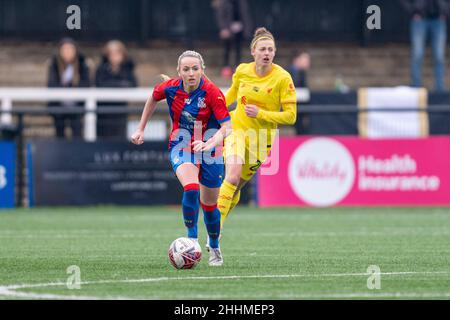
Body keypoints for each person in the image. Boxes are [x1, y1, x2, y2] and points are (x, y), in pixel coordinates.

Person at [131, 51, 232, 266]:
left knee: (210, 205)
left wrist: (210, 143)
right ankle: (191, 240)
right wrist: (141, 129)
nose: (191, 73)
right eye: (186, 69)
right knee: (191, 187)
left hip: (210, 147)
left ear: (202, 70)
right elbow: (152, 98)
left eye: (195, 68)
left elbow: (227, 127)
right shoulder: (171, 88)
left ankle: (214, 246)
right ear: (179, 72)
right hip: (182, 143)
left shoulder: (213, 93)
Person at [217, 27, 297, 236]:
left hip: (261, 139)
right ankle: (214, 229)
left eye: (270, 49)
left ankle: (217, 221)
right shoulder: (242, 70)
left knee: (237, 187)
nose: (266, 53)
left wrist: (261, 113)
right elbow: (231, 96)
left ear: (275, 52)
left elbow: (290, 116)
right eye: (262, 49)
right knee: (232, 177)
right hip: (236, 129)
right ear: (253, 51)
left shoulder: (283, 78)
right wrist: (212, 110)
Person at [400, 0, 449, 91]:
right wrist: (413, 11)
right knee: (417, 54)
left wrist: (445, 11)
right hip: (419, 18)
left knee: (439, 56)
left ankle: (440, 88)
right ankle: (416, 85)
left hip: (439, 19)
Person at [47, 38, 91, 139]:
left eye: (70, 49)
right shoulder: (54, 64)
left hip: (77, 105)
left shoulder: (82, 64)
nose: (67, 52)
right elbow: (51, 84)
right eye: (64, 49)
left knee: (77, 133)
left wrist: (71, 87)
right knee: (60, 133)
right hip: (59, 105)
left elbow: (86, 84)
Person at [95, 40, 137, 139]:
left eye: (117, 53)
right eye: (111, 54)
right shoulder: (101, 69)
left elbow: (133, 84)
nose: (114, 56)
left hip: (120, 110)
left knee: (120, 137)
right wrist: (120, 84)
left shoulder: (127, 68)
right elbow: (100, 84)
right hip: (104, 110)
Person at [212, 0, 252, 78]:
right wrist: (224, 28)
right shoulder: (224, 2)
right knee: (227, 48)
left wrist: (246, 29)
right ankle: (226, 67)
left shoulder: (242, 2)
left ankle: (237, 67)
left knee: (238, 49)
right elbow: (221, 16)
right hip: (228, 28)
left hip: (239, 28)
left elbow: (245, 15)